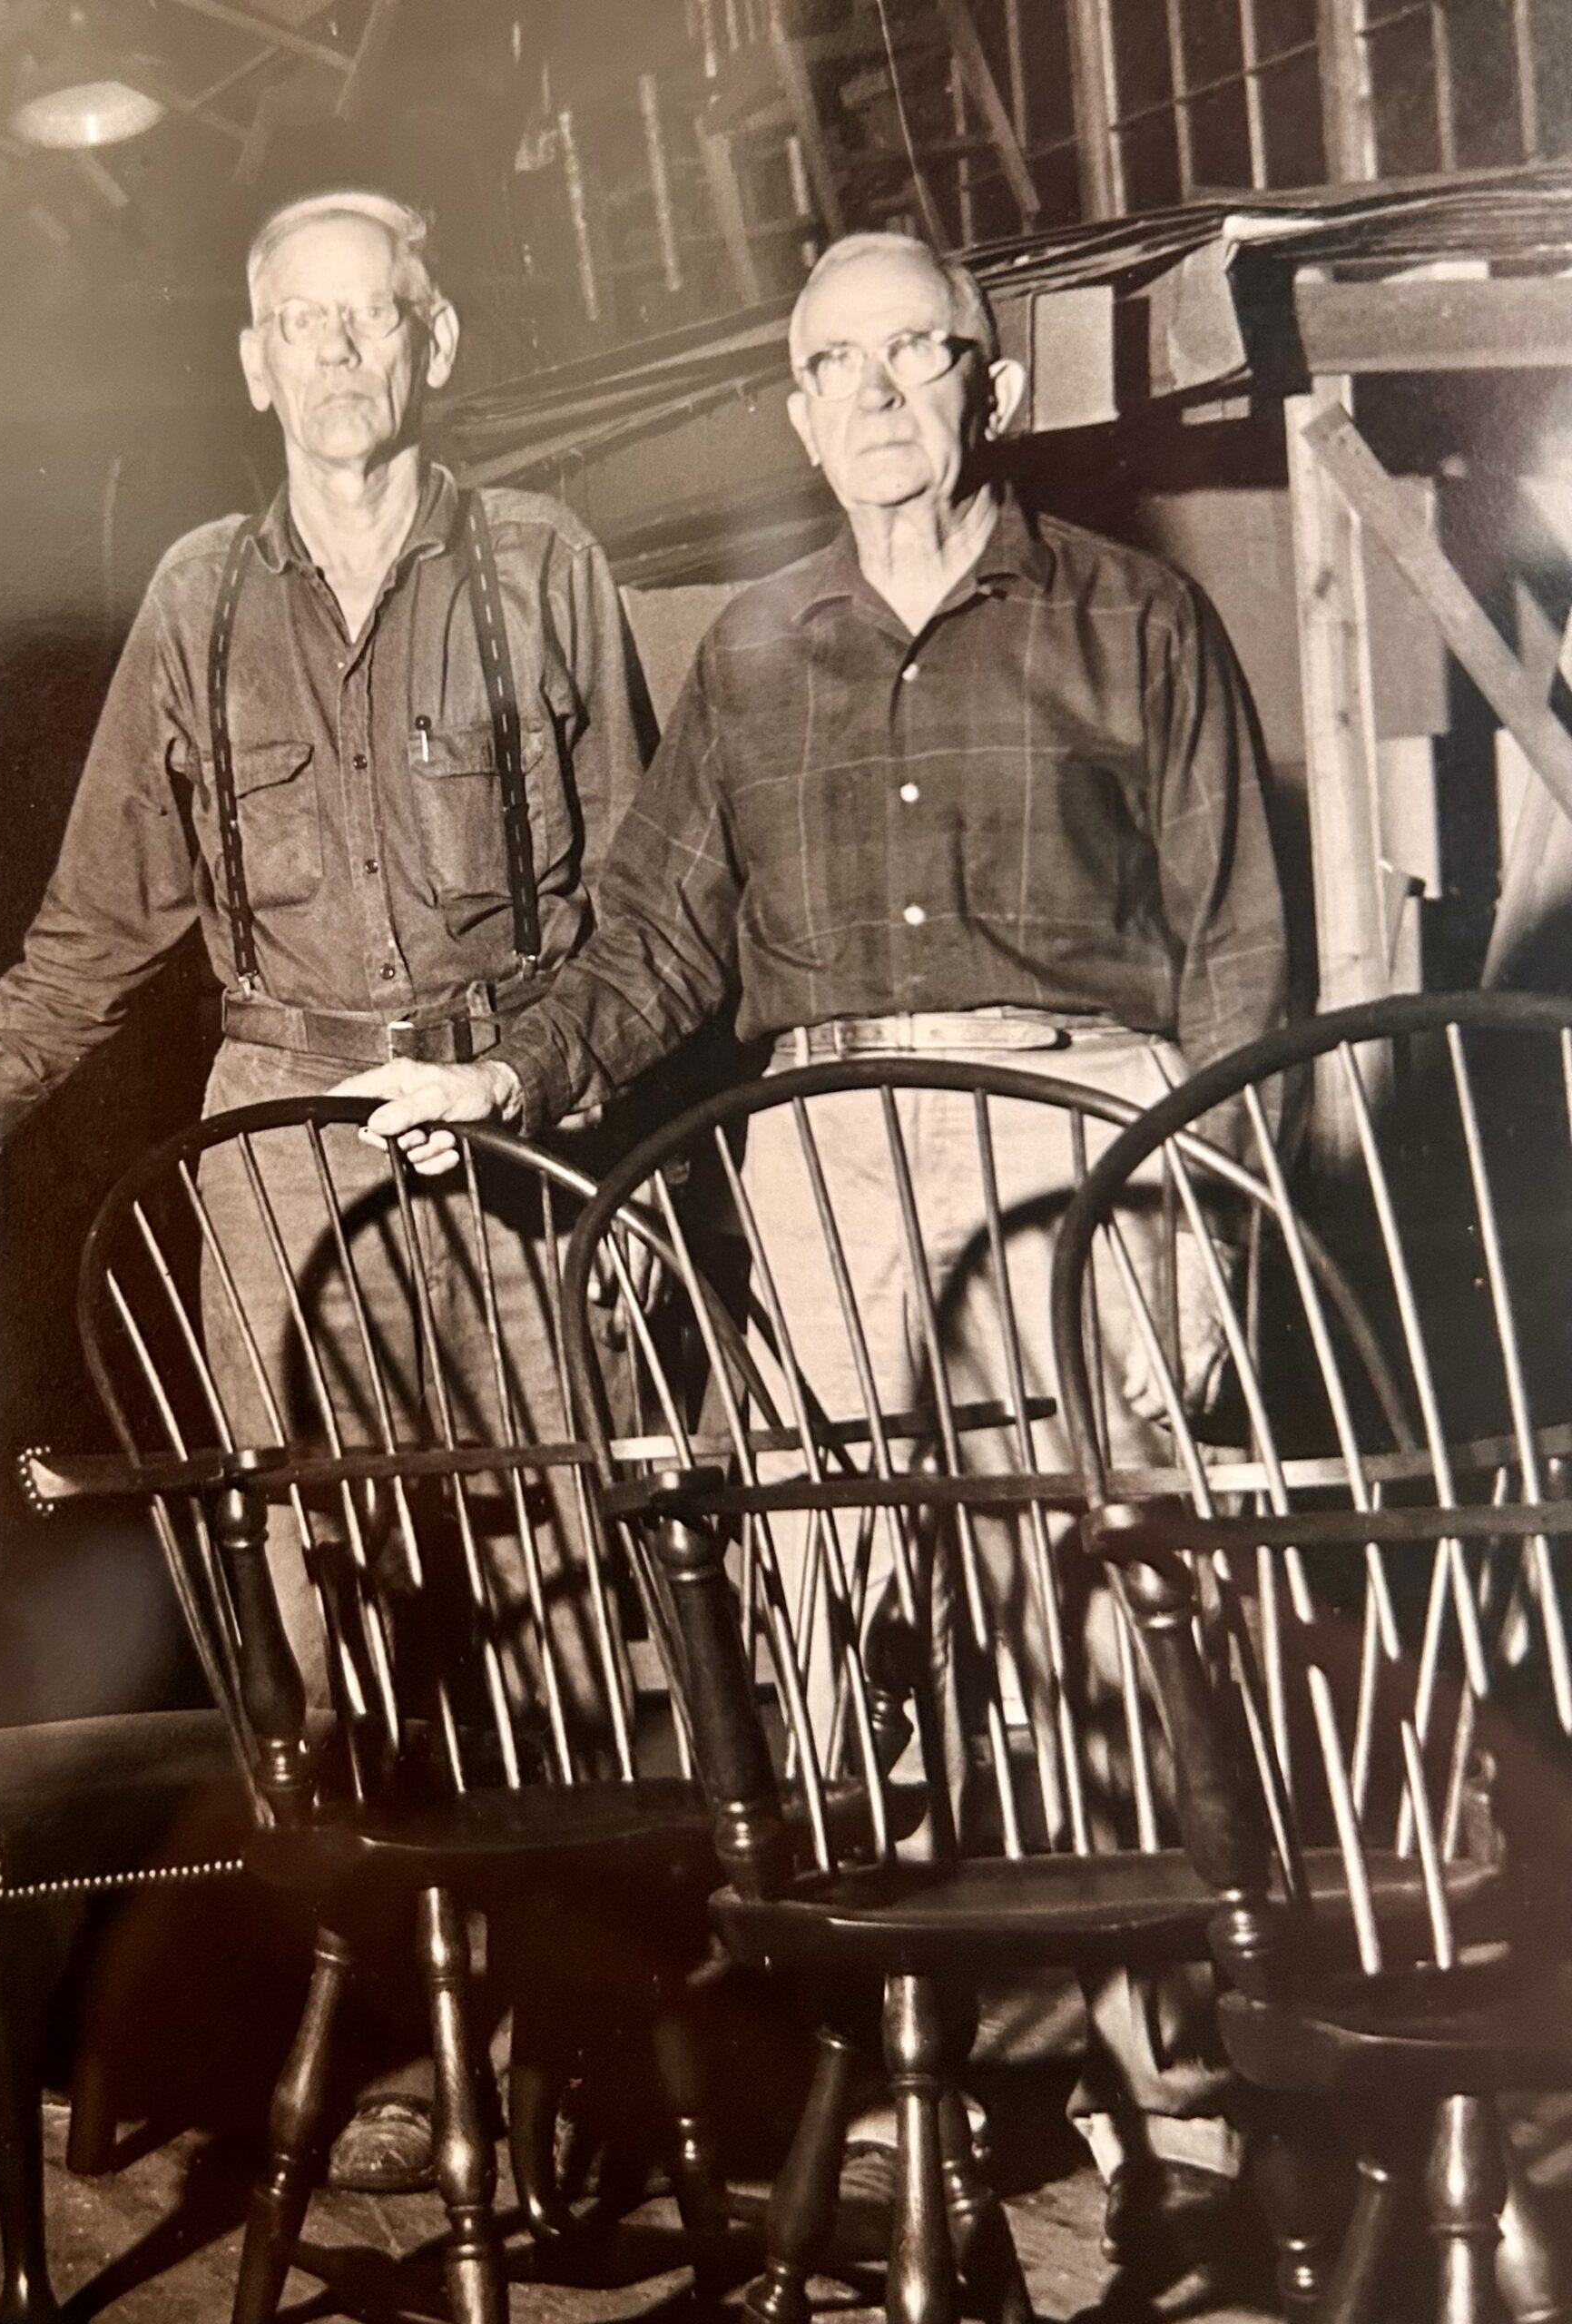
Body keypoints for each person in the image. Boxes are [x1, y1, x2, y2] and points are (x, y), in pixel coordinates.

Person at [349, 230, 1291, 2292]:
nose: (872, 397)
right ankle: (922, 2063)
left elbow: (1237, 952)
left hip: (1079, 1144)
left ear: (990, 388)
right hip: (824, 1158)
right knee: (858, 1626)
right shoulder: (749, 651)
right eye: (829, 364)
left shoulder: (1132, 617)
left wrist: (1205, 1202)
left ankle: (1174, 2101)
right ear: (791, 406)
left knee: (1099, 1621)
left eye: (912, 358)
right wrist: (505, 1073)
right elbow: (655, 943)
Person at [0, 187, 647, 2188]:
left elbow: (633, 896)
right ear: (250, 363)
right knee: (320, 1611)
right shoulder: (201, 594)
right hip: (275, 1139)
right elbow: (108, 896)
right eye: (298, 324)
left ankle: (569, 2059)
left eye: (369, 320)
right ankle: (390, 2044)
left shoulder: (543, 564)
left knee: (548, 1575)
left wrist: (520, 1081)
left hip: (496, 1131)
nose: (336, 356)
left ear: (431, 341)